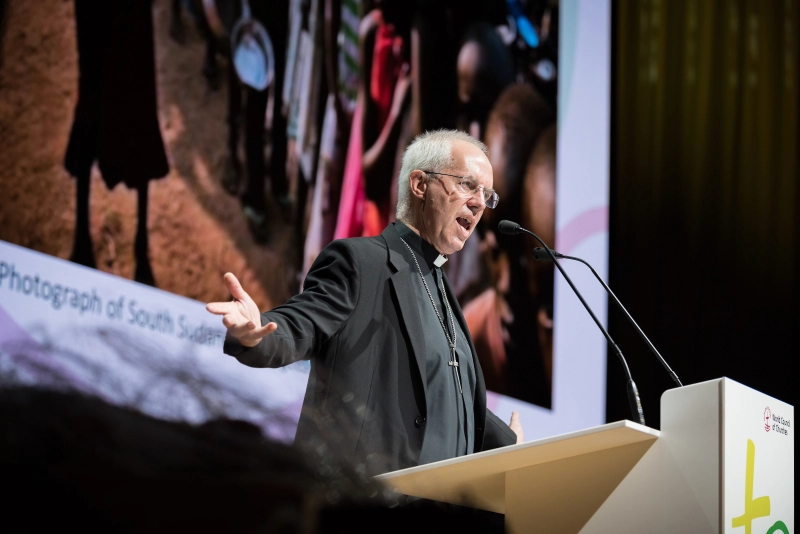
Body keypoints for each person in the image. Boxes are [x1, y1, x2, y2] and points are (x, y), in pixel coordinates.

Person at [207, 130, 523, 476]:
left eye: (486, 195)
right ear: (420, 184)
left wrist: (509, 444)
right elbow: (303, 323)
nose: (479, 203)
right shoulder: (361, 262)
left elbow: (447, 394)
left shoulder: (443, 290)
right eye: (467, 185)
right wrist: (256, 333)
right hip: (357, 496)